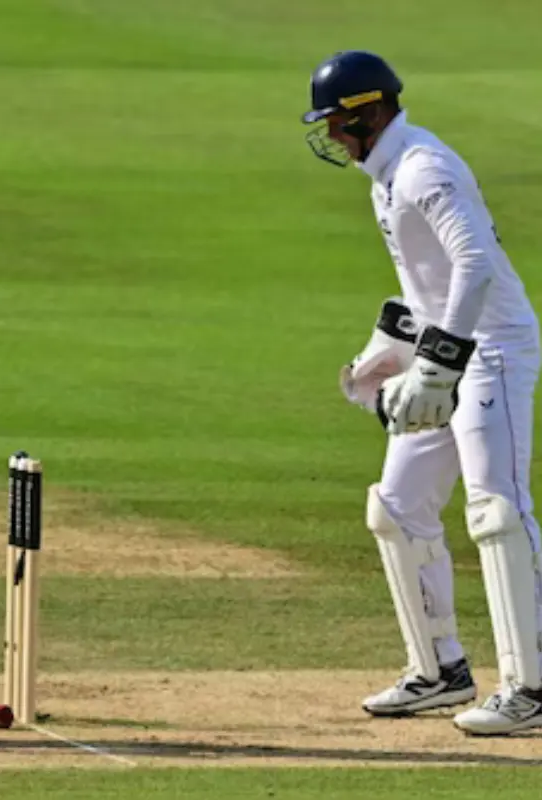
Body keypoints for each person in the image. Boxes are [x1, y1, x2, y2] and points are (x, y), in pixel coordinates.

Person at [311, 50, 542, 735]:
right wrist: (401, 343)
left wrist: (439, 366)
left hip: (492, 350)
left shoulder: (423, 167)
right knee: (397, 507)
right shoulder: (386, 174)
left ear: (369, 112)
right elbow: (438, 284)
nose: (329, 137)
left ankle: (531, 687)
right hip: (448, 350)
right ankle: (439, 671)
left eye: (335, 123)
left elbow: (474, 266)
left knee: (498, 509)